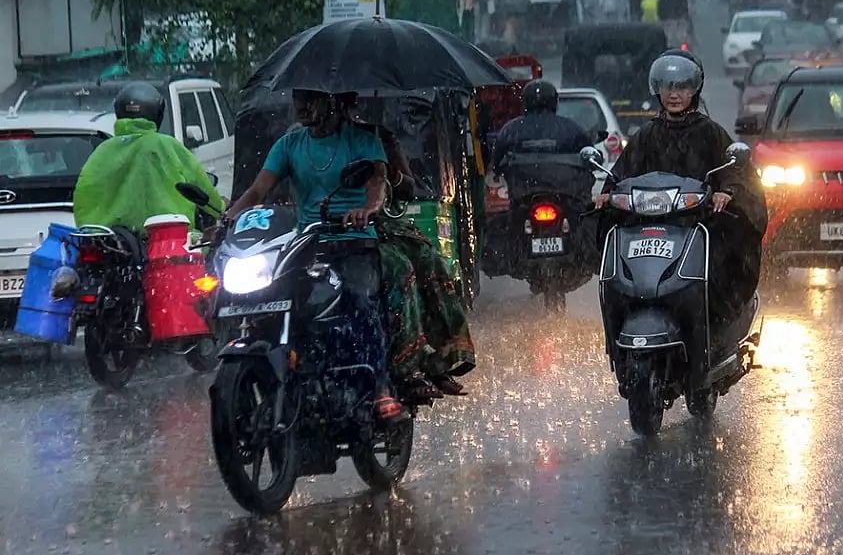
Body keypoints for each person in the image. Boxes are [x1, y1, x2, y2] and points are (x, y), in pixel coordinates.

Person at [224, 89, 402, 424]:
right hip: (307, 245)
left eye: (312, 99)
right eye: (298, 99)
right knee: (273, 300)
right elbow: (257, 191)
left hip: (354, 243)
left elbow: (377, 183)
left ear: (333, 101)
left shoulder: (363, 141)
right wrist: (227, 220)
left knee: (360, 304)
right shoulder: (288, 146)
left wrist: (366, 209)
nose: (302, 107)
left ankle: (380, 387)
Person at [595, 49, 766, 325]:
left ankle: (721, 326)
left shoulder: (710, 132)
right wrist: (607, 193)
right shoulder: (647, 135)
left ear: (695, 90)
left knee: (726, 255)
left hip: (698, 223)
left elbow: (737, 173)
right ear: (657, 90)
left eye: (682, 87)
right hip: (649, 226)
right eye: (668, 87)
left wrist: (728, 193)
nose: (674, 95)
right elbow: (621, 174)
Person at [351, 114, 476, 400]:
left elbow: (398, 186)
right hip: (319, 232)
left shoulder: (376, 139)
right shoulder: (296, 143)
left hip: (375, 228)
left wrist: (385, 180)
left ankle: (433, 358)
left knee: (422, 258)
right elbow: (260, 188)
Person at [74, 82, 225, 231]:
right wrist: (221, 210)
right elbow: (202, 187)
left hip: (111, 245)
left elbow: (83, 197)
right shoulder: (167, 145)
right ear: (158, 114)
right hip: (169, 240)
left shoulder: (102, 151)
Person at [492, 80, 594, 168]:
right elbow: (590, 155)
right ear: (555, 102)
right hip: (565, 187)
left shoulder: (510, 130)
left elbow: (496, 161)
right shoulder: (572, 128)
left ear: (524, 103)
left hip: (522, 188)